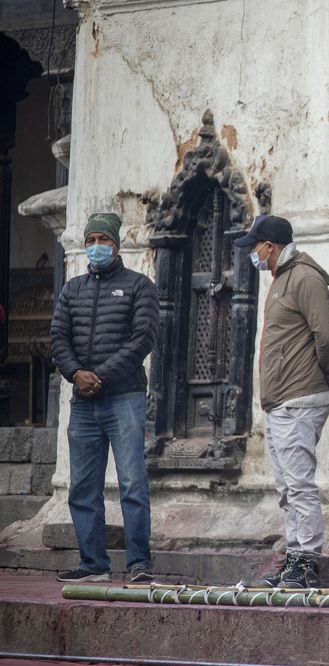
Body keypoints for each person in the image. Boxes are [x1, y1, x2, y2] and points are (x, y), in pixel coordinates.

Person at [235, 214, 329, 589]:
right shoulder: (282, 279)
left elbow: (327, 337)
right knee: (287, 486)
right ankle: (295, 555)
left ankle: (308, 561)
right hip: (281, 400)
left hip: (299, 397)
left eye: (255, 247)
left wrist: (328, 374)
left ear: (270, 246)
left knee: (299, 483)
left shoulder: (303, 277)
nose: (253, 254)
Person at [50, 213, 158, 583]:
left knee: (131, 482)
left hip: (123, 397)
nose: (96, 246)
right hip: (83, 402)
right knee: (82, 486)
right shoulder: (71, 289)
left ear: (116, 243)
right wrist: (75, 374)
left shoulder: (138, 286)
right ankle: (93, 563)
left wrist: (100, 376)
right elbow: (58, 338)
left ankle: (140, 563)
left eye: (104, 239)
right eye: (91, 238)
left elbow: (142, 338)